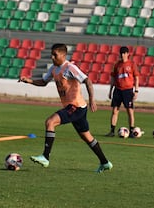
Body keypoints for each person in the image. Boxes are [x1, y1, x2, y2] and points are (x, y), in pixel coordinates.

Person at [19, 43, 112, 173]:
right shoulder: (54, 68)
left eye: (55, 55)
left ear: (63, 55)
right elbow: (44, 82)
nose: (52, 57)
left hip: (76, 106)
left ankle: (45, 157)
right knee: (87, 137)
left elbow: (87, 80)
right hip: (76, 107)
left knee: (50, 122)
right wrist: (29, 81)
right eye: (51, 54)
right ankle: (105, 162)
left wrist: (92, 99)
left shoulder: (70, 68)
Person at [105, 46, 139, 137]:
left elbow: (136, 77)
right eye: (121, 53)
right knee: (115, 110)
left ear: (128, 54)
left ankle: (131, 130)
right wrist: (110, 90)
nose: (123, 55)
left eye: (124, 53)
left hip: (128, 90)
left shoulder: (132, 64)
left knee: (130, 111)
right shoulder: (117, 65)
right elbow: (113, 78)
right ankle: (112, 130)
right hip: (118, 90)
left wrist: (136, 90)